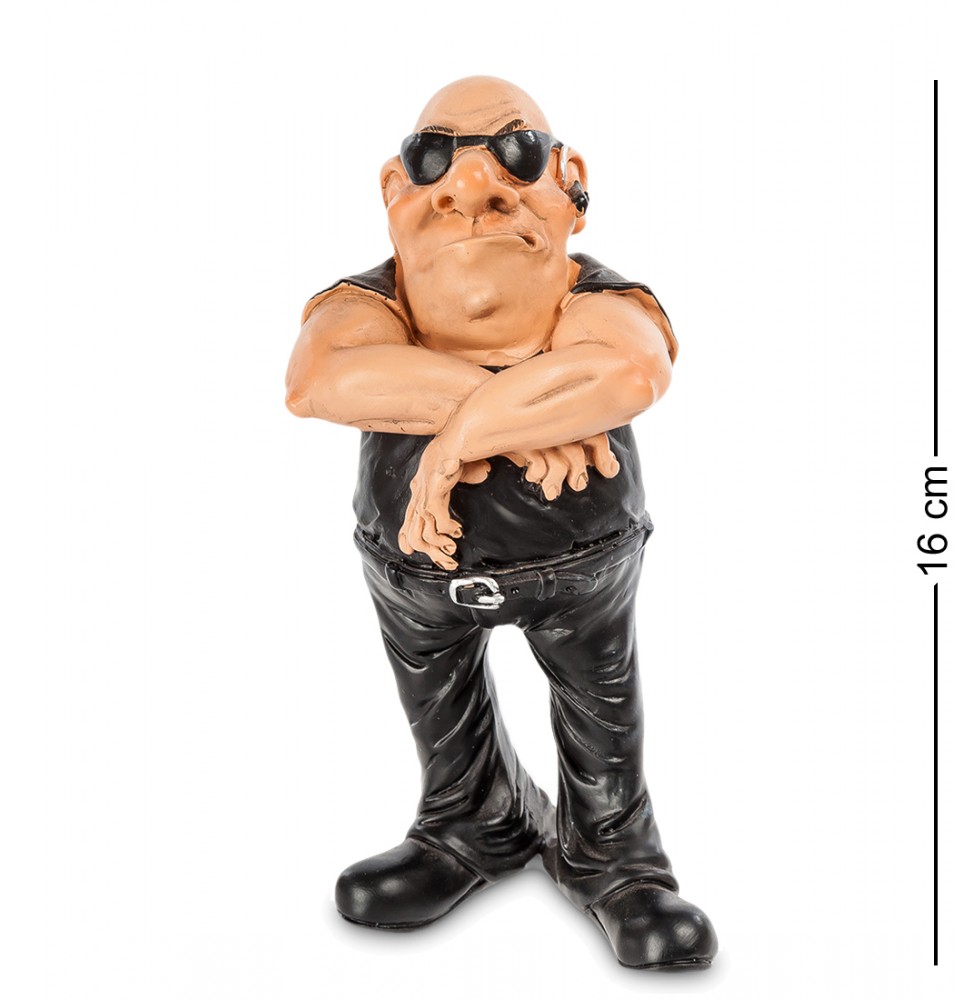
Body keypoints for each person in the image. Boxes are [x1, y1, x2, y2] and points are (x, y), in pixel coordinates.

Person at [285, 76, 717, 970]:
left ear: (570, 180)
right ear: (394, 190)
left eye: (514, 155)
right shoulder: (369, 300)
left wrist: (454, 443)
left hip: (580, 562)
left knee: (599, 703)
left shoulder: (596, 293)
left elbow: (627, 372)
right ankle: (473, 820)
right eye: (432, 158)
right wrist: (528, 411)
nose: (470, 188)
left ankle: (614, 856)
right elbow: (319, 380)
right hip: (412, 566)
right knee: (436, 702)